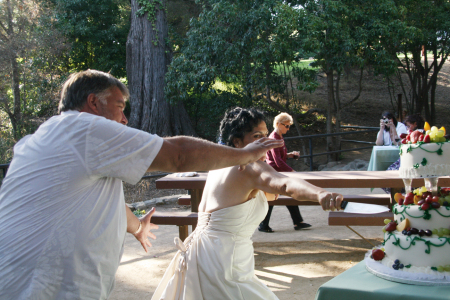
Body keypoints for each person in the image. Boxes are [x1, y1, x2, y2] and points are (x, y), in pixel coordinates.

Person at [0, 70, 284, 300]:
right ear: (93, 103)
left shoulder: (42, 139)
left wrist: (136, 226)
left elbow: (90, 198)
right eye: (120, 107)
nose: (125, 119)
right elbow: (179, 155)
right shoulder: (85, 129)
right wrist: (247, 153)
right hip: (47, 286)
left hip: (22, 280)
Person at [151, 107, 343, 300]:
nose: (266, 142)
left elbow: (247, 198)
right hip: (223, 260)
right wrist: (320, 193)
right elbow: (285, 183)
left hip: (201, 252)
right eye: (257, 136)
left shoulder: (218, 164)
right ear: (237, 141)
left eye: (266, 135)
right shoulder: (250, 166)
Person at [258, 112, 310, 233]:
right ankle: (264, 225)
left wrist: (289, 155)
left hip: (277, 173)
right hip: (274, 173)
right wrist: (292, 172)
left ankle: (298, 222)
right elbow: (277, 161)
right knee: (273, 199)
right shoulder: (274, 138)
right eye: (286, 125)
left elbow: (278, 156)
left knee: (286, 196)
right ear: (278, 124)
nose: (288, 128)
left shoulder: (279, 137)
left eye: (289, 126)